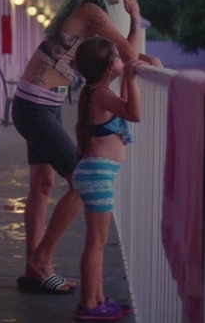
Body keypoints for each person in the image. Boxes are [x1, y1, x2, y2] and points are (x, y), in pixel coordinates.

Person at [11, 0, 160, 295]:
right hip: (35, 106)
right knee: (82, 182)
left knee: (43, 184)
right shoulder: (93, 13)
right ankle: (41, 260)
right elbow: (128, 54)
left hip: (40, 104)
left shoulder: (86, 12)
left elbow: (123, 58)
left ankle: (33, 268)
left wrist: (136, 46)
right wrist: (135, 18)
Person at [72, 36, 144, 321]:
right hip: (97, 175)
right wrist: (132, 78)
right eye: (116, 58)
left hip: (95, 172)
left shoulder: (97, 91)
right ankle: (88, 305)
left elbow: (124, 104)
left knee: (98, 241)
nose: (120, 61)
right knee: (96, 242)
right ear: (105, 68)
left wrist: (126, 74)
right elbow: (133, 112)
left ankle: (99, 298)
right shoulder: (99, 93)